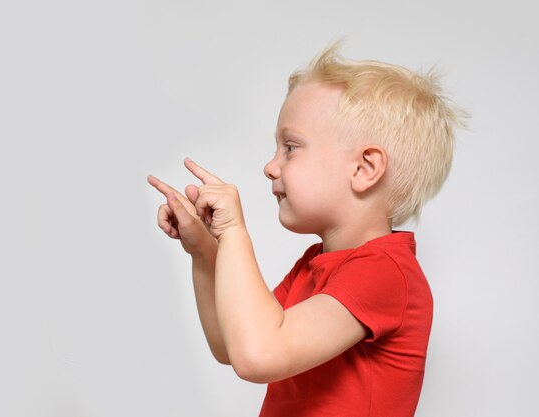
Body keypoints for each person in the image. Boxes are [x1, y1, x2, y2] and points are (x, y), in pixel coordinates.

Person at [147, 43, 467, 417]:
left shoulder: (384, 273)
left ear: (364, 169)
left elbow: (258, 355)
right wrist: (203, 250)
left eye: (291, 147)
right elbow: (231, 345)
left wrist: (234, 232)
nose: (270, 166)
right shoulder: (316, 265)